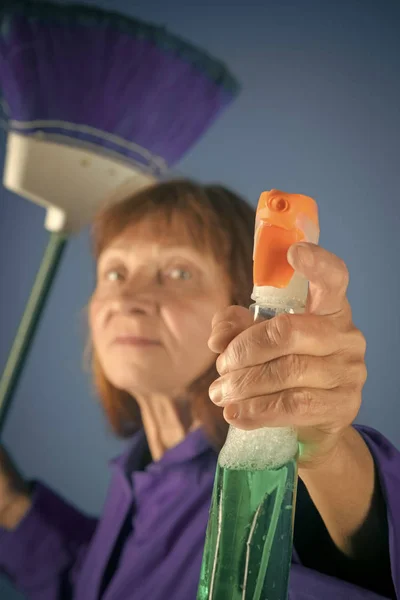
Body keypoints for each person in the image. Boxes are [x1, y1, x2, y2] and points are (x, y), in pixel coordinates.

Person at [0, 179, 398, 600]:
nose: (129, 298)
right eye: (115, 272)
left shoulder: (267, 473)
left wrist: (330, 455)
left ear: (244, 307)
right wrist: (10, 503)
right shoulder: (141, 474)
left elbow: (359, 563)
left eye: (178, 272)